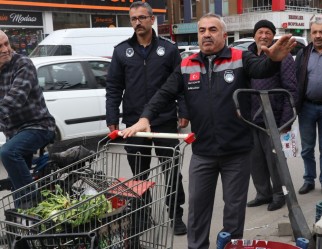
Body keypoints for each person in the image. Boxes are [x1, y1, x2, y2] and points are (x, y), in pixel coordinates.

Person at [121, 13, 297, 249]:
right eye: (202, 30)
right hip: (203, 152)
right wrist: (145, 118)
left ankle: (230, 246)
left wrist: (273, 60)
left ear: (224, 35)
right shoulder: (187, 64)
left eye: (212, 30)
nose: (206, 34)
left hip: (237, 152)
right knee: (197, 210)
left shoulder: (240, 57)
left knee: (234, 212)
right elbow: (164, 93)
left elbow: (261, 69)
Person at [105, 1, 189, 235]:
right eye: (133, 19)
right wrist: (112, 116)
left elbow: (180, 83)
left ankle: (176, 214)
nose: (138, 22)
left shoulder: (169, 49)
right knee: (139, 175)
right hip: (134, 124)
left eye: (142, 17)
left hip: (164, 121)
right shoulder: (121, 51)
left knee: (171, 170)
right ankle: (143, 214)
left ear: (153, 20)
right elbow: (113, 87)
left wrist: (184, 111)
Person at [245, 19, 296, 211]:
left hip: (273, 117)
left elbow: (290, 89)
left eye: (268, 32)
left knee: (275, 161)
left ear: (273, 36)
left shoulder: (284, 56)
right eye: (260, 32)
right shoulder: (247, 56)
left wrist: (286, 121)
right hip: (251, 118)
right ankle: (263, 193)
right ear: (254, 36)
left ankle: (278, 194)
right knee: (255, 160)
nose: (264, 36)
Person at [0, 30, 56, 206]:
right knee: (17, 185)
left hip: (39, 126)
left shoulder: (23, 64)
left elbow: (15, 99)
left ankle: (34, 198)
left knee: (8, 152)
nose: (5, 49)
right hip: (14, 132)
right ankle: (24, 224)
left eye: (6, 43)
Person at [294, 20, 322, 196]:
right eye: (315, 32)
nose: (317, 36)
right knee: (307, 147)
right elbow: (296, 79)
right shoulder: (303, 53)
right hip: (307, 107)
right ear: (310, 34)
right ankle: (309, 180)